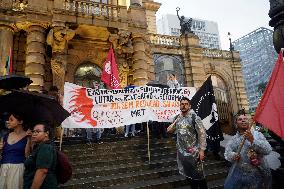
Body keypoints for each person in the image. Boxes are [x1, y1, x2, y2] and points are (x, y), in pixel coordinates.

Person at [224, 110, 272, 189]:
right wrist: (233, 155)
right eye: (240, 119)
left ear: (249, 122)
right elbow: (227, 153)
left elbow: (268, 150)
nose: (243, 120)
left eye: (245, 119)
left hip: (258, 174)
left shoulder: (257, 135)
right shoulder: (233, 140)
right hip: (239, 175)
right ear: (236, 124)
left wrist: (252, 140)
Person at [167, 97, 208, 189]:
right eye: (182, 104)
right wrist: (176, 120)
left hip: (194, 152)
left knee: (200, 176)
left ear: (189, 106)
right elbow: (169, 131)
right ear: (180, 106)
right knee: (189, 176)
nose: (184, 106)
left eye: (186, 104)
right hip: (182, 153)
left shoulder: (195, 118)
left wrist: (202, 150)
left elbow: (202, 134)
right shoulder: (178, 118)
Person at [0, 112, 31, 189]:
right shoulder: (5, 137)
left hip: (18, 169)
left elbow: (27, 156)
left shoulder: (28, 136)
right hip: (4, 168)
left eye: (11, 120)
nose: (8, 122)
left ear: (20, 122)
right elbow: (1, 156)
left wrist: (29, 140)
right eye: (8, 120)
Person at [23, 122, 57, 189]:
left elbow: (42, 171)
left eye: (38, 131)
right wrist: (28, 139)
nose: (34, 134)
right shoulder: (39, 146)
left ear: (46, 134)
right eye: (33, 131)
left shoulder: (46, 147)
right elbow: (27, 156)